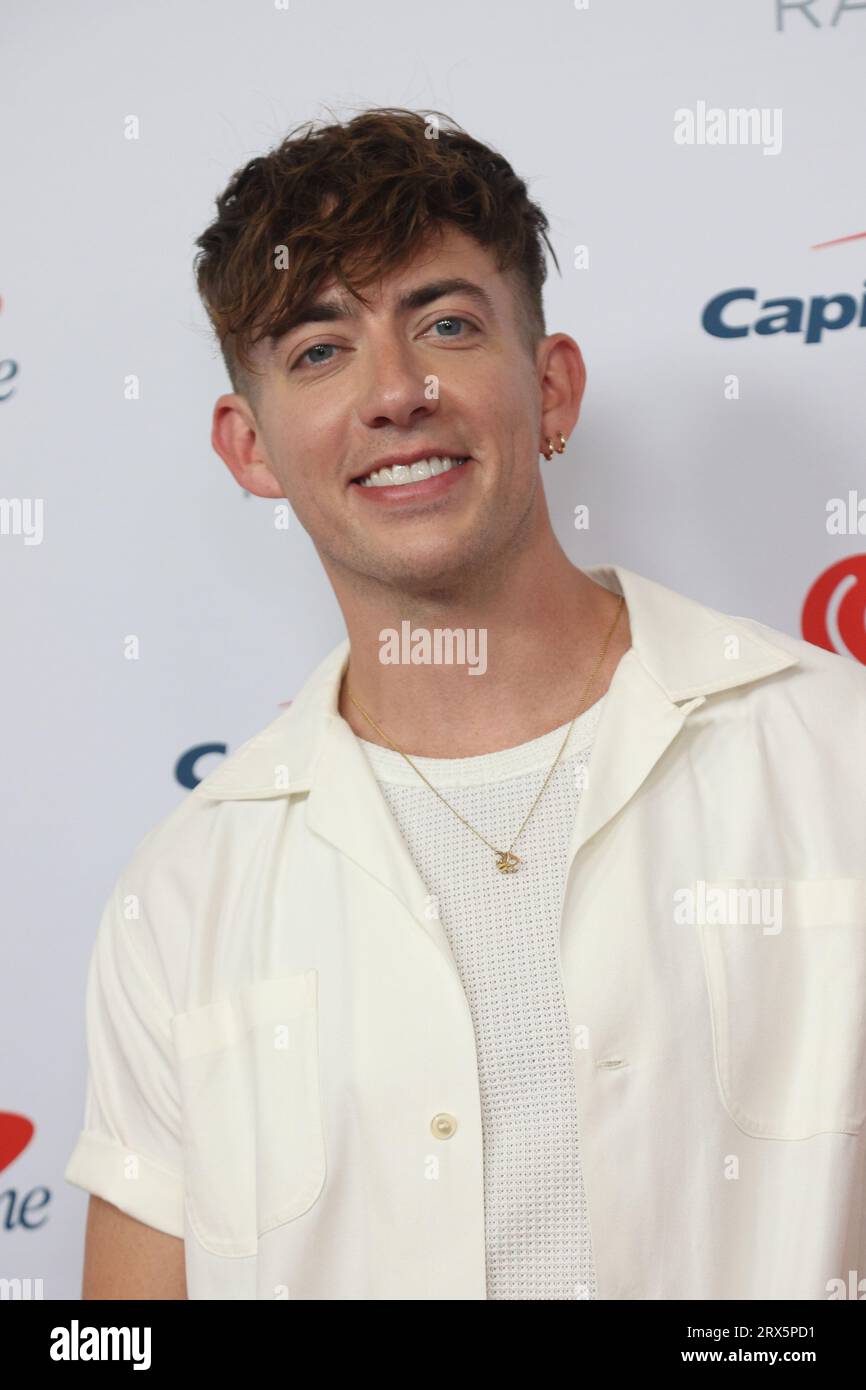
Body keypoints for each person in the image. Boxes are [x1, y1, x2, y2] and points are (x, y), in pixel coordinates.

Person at [65, 107, 866, 1301]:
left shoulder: (834, 754)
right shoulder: (185, 895)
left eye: (444, 324)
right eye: (318, 350)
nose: (397, 394)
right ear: (249, 448)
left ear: (549, 389)